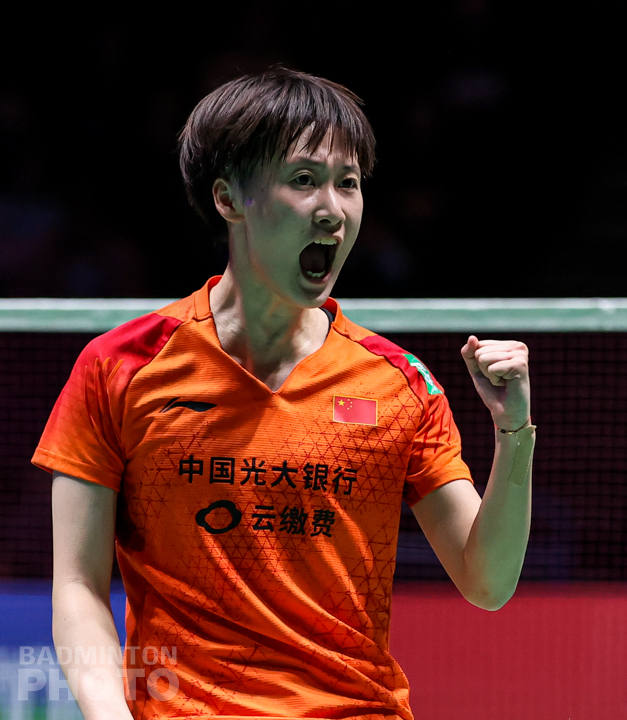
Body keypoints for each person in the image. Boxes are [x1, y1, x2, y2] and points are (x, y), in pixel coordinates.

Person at [32, 67, 535, 720]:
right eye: (303, 179)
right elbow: (76, 583)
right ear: (228, 198)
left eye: (347, 183)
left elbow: (487, 583)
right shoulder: (121, 367)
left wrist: (513, 433)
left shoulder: (399, 383)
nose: (333, 209)